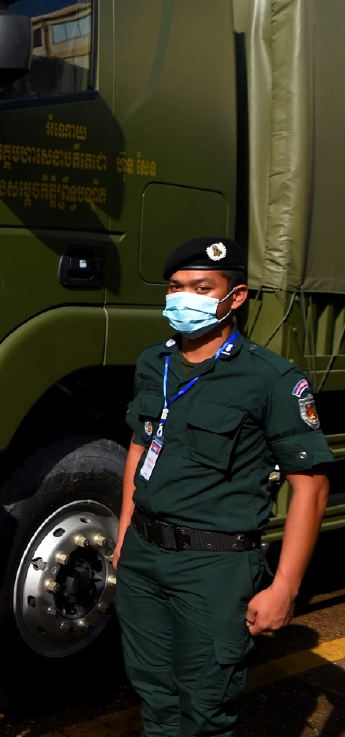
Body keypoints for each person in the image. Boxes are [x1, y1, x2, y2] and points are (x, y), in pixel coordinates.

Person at [114, 237, 332, 736]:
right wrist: (125, 532)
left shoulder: (272, 379)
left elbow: (311, 487)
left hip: (214, 569)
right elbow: (139, 445)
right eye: (175, 287)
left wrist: (285, 587)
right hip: (144, 558)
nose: (183, 297)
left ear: (235, 297)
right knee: (155, 702)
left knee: (206, 712)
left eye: (200, 287)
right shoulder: (154, 362)